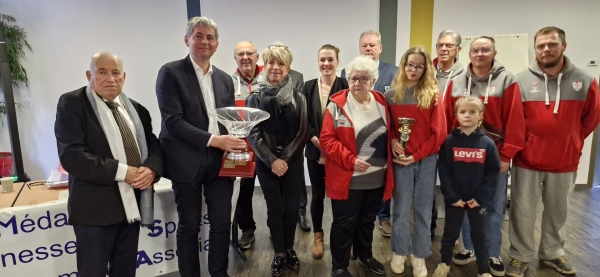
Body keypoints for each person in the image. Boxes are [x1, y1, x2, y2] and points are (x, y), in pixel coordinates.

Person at [55, 52, 162, 277]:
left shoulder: (137, 109)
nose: (110, 78)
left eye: (116, 73)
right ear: (89, 75)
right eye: (102, 72)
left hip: (130, 208)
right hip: (94, 211)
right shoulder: (73, 104)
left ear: (124, 77)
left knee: (125, 272)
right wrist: (125, 173)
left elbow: (154, 147)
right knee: (92, 272)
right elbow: (72, 156)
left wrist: (151, 170)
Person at [507, 26, 600, 277]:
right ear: (535, 49)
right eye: (541, 46)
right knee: (522, 211)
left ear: (563, 47)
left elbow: (592, 117)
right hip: (527, 160)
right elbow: (514, 120)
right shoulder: (519, 80)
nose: (546, 49)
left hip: (565, 160)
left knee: (558, 212)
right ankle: (520, 255)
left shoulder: (586, 80)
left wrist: (573, 140)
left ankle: (552, 253)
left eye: (552, 44)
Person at [156, 16, 244, 277]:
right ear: (187, 40)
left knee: (220, 224)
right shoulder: (170, 72)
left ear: (217, 45)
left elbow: (227, 120)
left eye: (210, 37)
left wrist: (236, 144)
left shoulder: (226, 80)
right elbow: (173, 122)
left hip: (219, 161)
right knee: (189, 226)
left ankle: (219, 273)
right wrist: (215, 140)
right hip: (185, 160)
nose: (204, 41)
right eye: (198, 36)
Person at [444, 36, 525, 277]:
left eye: (485, 49)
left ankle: (491, 253)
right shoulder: (456, 81)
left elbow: (515, 119)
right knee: (467, 202)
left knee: (492, 206)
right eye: (475, 50)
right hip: (462, 157)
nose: (480, 54)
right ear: (468, 54)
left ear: (494, 52)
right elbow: (449, 118)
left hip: (493, 157)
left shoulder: (507, 80)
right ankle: (469, 248)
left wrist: (506, 154)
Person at [321, 55, 394, 277]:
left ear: (373, 80)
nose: (357, 83)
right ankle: (339, 266)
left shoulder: (382, 101)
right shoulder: (337, 104)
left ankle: (365, 256)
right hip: (348, 178)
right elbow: (326, 140)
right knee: (344, 223)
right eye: (353, 78)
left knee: (367, 221)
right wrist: (351, 160)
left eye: (363, 78)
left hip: (377, 177)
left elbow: (390, 133)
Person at [246, 42, 308, 276]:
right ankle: (279, 253)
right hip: (266, 162)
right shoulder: (255, 97)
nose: (275, 67)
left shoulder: (298, 97)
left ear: (288, 67)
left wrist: (286, 160)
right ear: (265, 65)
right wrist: (272, 160)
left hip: (292, 162)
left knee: (291, 208)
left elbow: (302, 132)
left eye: (280, 63)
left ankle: (290, 248)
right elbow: (252, 133)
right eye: (271, 62)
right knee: (274, 207)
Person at [386, 46, 446, 277]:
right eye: (410, 64)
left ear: (426, 68)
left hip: (426, 160)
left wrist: (417, 155)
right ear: (404, 65)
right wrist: (393, 141)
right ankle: (399, 252)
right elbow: (390, 128)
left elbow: (439, 134)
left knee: (422, 210)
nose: (414, 69)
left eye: (419, 66)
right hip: (401, 160)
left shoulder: (432, 95)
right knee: (400, 209)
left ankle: (419, 255)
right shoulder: (392, 95)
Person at [432, 96, 500, 277]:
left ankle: (483, 270)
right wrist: (452, 197)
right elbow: (444, 171)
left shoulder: (488, 143)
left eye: (472, 112)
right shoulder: (449, 141)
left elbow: (492, 173)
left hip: (477, 201)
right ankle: (444, 263)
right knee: (449, 234)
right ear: (456, 115)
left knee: (480, 236)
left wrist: (480, 198)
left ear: (481, 116)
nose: (467, 115)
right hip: (455, 199)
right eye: (463, 112)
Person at [341, 29, 398, 237]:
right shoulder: (347, 71)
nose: (368, 48)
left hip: (383, 136)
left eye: (372, 45)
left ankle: (384, 218)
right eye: (364, 45)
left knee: (381, 178)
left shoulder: (393, 72)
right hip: (356, 135)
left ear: (380, 48)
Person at [302, 44, 349, 259]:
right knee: (318, 196)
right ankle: (318, 236)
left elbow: (351, 119)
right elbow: (304, 120)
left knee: (341, 197)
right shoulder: (308, 86)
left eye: (330, 59)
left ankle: (344, 239)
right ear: (318, 62)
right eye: (322, 59)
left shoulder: (346, 86)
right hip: (315, 151)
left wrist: (332, 145)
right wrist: (315, 139)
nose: (326, 63)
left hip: (339, 153)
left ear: (338, 62)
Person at [431, 29, 465, 241]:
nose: (444, 49)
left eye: (449, 45)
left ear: (458, 50)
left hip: (453, 142)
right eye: (440, 45)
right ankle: (429, 229)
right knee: (426, 191)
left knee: (452, 191)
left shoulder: (465, 76)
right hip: (428, 141)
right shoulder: (427, 71)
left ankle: (452, 235)